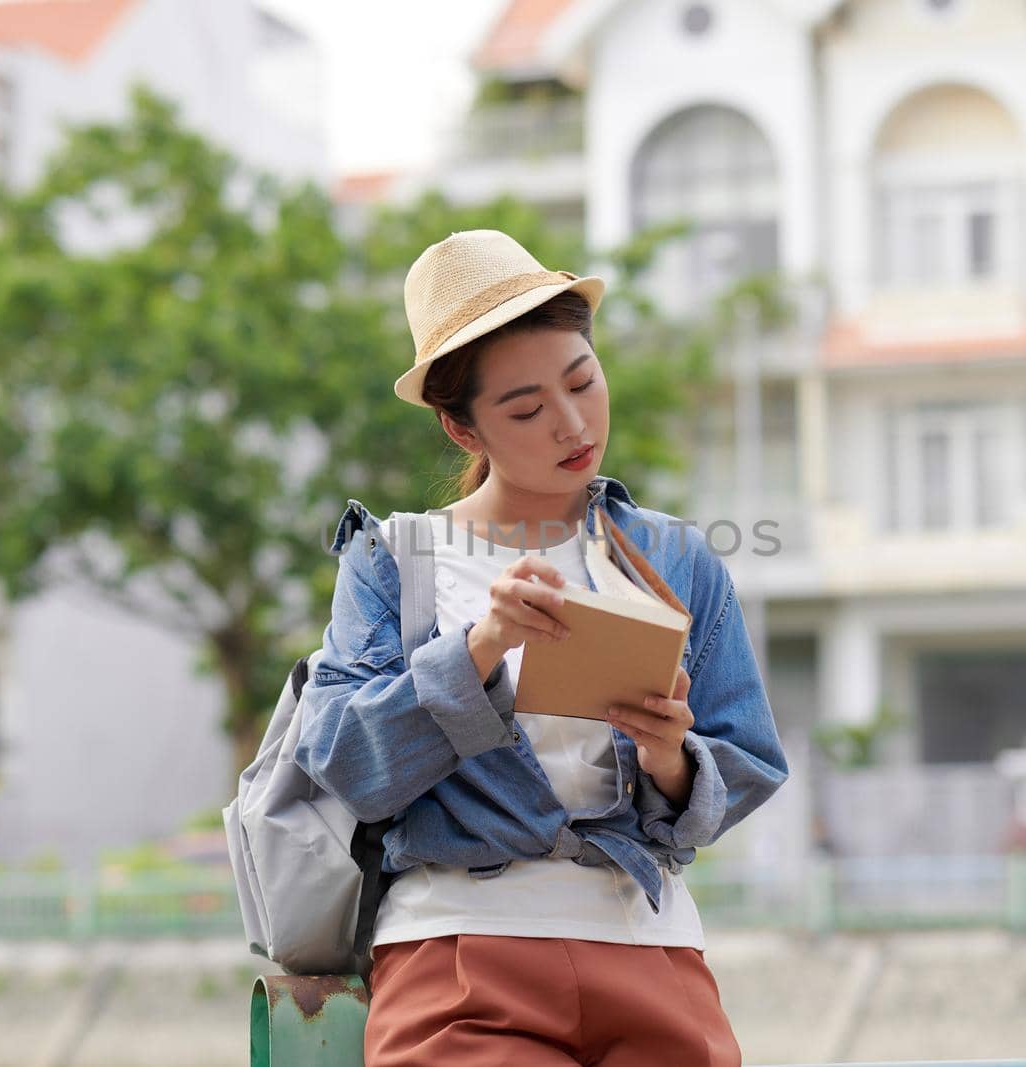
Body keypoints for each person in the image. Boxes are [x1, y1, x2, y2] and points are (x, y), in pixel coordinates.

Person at [294, 229, 789, 1066]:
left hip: (649, 947)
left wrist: (670, 753)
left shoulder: (672, 558)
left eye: (582, 381)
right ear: (462, 428)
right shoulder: (395, 560)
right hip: (459, 954)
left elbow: (747, 759)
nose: (571, 423)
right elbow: (343, 759)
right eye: (525, 409)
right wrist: (482, 646)